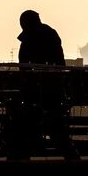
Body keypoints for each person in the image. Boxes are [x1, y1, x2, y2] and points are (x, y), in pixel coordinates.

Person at [11, 10, 79, 160]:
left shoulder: (29, 39)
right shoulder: (49, 35)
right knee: (56, 129)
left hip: (37, 93)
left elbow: (24, 67)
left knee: (30, 128)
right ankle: (72, 159)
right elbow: (59, 63)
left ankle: (20, 160)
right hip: (51, 91)